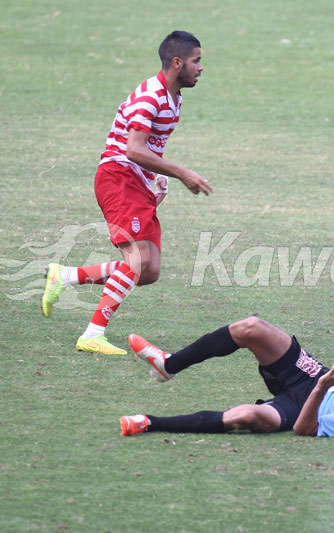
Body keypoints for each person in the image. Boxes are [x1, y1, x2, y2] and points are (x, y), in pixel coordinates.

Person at [41, 31, 214, 355]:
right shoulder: (152, 96)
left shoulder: (173, 96)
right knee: (136, 260)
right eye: (196, 61)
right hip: (119, 176)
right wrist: (180, 173)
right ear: (177, 63)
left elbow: (149, 148)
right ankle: (92, 334)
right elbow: (133, 149)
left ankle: (66, 276)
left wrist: (156, 177)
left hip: (136, 179)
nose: (201, 68)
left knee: (148, 271)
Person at [120, 288, 334, 437]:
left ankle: (149, 422)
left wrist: (322, 386)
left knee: (246, 415)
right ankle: (169, 364)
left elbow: (307, 430)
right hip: (317, 378)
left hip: (301, 408)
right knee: (252, 327)